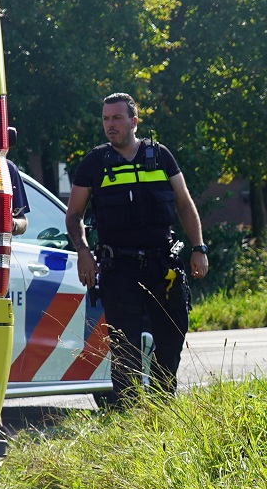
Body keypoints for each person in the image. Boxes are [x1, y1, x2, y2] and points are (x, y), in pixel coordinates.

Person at [65, 94, 209, 400]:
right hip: (120, 269)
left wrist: (199, 247)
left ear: (134, 120)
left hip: (163, 266)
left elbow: (184, 203)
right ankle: (126, 414)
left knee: (171, 340)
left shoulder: (160, 156)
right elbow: (74, 214)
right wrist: (83, 252)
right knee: (125, 347)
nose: (110, 125)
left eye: (117, 118)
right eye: (106, 119)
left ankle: (162, 404)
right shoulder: (95, 163)